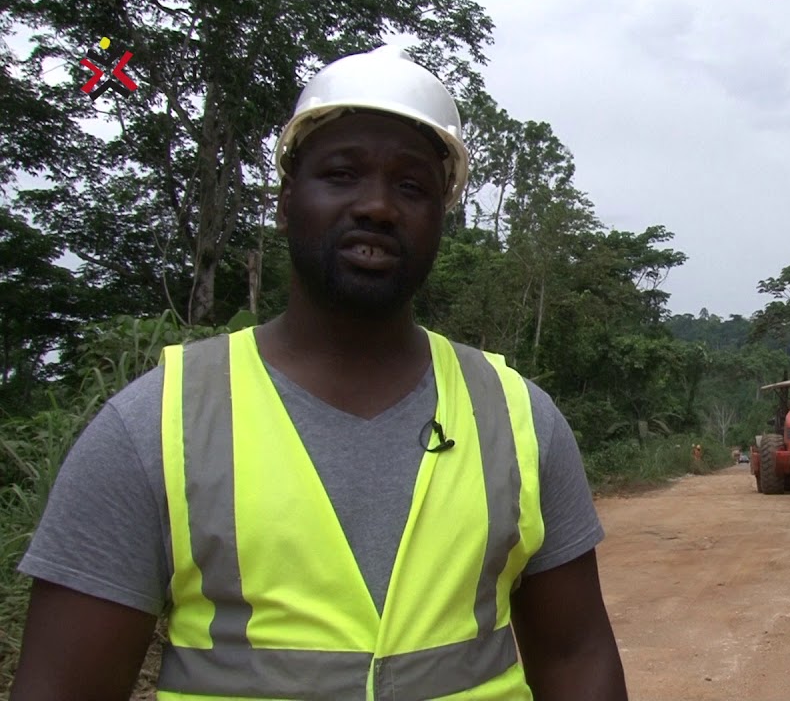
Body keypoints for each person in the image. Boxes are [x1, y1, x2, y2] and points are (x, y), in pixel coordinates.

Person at [10, 45, 628, 701]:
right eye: (341, 174)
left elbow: (576, 657)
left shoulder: (519, 420)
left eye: (412, 186)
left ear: (441, 218)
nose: (379, 207)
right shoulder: (155, 427)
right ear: (285, 202)